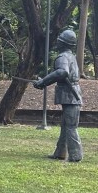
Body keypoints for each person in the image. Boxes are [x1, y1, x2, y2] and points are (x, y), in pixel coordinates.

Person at [32, 29, 83, 162]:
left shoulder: (63, 57)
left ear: (62, 43)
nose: (57, 42)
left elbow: (62, 72)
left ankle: (76, 155)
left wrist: (43, 81)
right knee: (66, 125)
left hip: (70, 94)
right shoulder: (71, 56)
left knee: (70, 126)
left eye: (59, 40)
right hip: (70, 93)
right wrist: (44, 82)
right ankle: (60, 152)